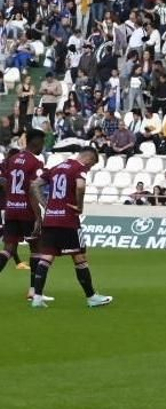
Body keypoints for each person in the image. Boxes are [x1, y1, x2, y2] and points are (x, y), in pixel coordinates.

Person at [28, 146, 113, 309]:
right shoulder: (78, 168)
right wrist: (80, 206)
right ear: (88, 158)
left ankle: (37, 298)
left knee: (46, 257)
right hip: (68, 220)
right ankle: (92, 297)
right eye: (92, 165)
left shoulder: (58, 167)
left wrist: (46, 204)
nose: (90, 168)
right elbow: (80, 186)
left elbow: (35, 185)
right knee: (79, 257)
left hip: (51, 219)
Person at [1, 130, 48, 303]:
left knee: (8, 249)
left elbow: (5, 183)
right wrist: (38, 217)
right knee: (37, 249)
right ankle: (33, 291)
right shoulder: (35, 162)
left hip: (11, 209)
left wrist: (11, 201)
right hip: (27, 211)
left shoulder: (12, 160)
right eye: (42, 143)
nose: (43, 146)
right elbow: (32, 190)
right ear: (37, 143)